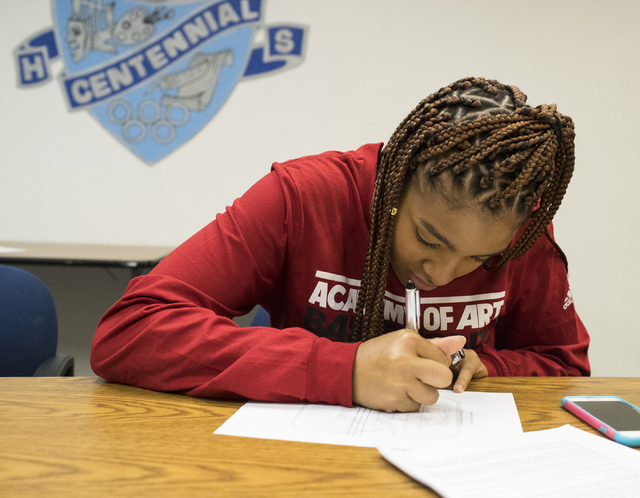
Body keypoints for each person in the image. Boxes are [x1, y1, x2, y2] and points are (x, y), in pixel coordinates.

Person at [91, 76, 590, 413]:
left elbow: (565, 364)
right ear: (395, 180)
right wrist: (343, 369)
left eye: (480, 259)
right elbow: (131, 329)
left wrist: (491, 365)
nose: (441, 274)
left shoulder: (525, 237)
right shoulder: (304, 198)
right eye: (427, 237)